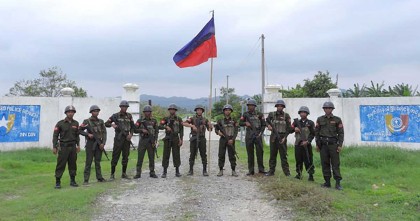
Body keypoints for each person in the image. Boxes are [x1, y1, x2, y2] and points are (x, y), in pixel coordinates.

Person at [315, 101, 344, 190]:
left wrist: (340, 144)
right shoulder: (320, 119)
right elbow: (316, 132)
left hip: (333, 145)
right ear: (324, 109)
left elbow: (341, 133)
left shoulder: (337, 119)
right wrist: (317, 144)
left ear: (332, 109)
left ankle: (338, 183)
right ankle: (327, 182)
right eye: (326, 108)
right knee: (325, 163)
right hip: (323, 145)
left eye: (329, 108)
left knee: (335, 164)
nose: (327, 110)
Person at [105, 100, 135, 180]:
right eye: (123, 107)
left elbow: (133, 127)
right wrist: (112, 125)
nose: (124, 108)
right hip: (118, 138)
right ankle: (112, 174)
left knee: (125, 156)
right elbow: (106, 124)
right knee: (115, 156)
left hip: (126, 139)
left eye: (126, 107)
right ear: (120, 107)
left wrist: (131, 134)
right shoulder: (115, 116)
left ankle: (124, 173)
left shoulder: (129, 116)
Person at [52, 105, 80, 189]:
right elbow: (55, 136)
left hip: (73, 147)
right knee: (61, 165)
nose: (71, 113)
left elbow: (77, 135)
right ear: (66, 113)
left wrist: (78, 145)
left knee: (73, 164)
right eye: (69, 112)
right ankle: (58, 182)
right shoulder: (60, 123)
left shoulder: (76, 123)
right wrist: (54, 146)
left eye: (72, 112)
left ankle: (73, 180)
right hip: (63, 147)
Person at [78, 105, 107, 185]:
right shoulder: (86, 121)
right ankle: (86, 180)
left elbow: (104, 133)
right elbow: (79, 130)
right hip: (90, 144)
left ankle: (99, 178)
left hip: (99, 143)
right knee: (89, 162)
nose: (96, 112)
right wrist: (87, 134)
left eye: (97, 111)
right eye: (94, 111)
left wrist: (103, 143)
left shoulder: (101, 121)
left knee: (98, 161)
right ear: (91, 112)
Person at [183, 104, 212, 176]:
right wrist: (192, 126)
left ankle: (204, 170)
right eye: (198, 110)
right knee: (192, 154)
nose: (199, 111)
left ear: (202, 111)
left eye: (200, 110)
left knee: (203, 154)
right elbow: (184, 123)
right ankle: (190, 170)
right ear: (196, 111)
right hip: (194, 137)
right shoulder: (192, 118)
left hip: (202, 138)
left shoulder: (205, 119)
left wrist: (210, 125)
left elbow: (210, 130)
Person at [239, 99, 266, 175]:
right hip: (249, 135)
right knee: (250, 153)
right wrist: (245, 123)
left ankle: (261, 169)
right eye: (249, 105)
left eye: (251, 105)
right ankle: (251, 170)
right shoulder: (245, 114)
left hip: (258, 134)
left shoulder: (260, 114)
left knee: (260, 153)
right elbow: (240, 123)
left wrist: (261, 133)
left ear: (255, 106)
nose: (250, 107)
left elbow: (264, 124)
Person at [265, 99, 292, 177]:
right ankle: (271, 171)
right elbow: (266, 121)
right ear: (276, 106)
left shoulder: (286, 116)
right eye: (278, 106)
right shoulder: (271, 114)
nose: (279, 107)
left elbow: (289, 128)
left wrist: (285, 138)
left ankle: (287, 173)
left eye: (281, 106)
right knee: (272, 155)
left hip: (282, 137)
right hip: (273, 137)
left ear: (283, 107)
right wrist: (268, 125)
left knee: (283, 156)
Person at [133, 105, 159, 179]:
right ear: (144, 113)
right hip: (143, 141)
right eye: (146, 112)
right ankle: (138, 173)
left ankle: (152, 172)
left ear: (151, 113)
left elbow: (156, 131)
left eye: (149, 112)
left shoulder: (154, 121)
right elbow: (134, 130)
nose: (147, 113)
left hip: (151, 141)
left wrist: (155, 140)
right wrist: (142, 130)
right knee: (140, 158)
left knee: (151, 158)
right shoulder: (140, 121)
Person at [291, 106, 315, 181]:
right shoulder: (296, 122)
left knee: (308, 159)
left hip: (307, 145)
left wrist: (308, 141)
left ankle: (311, 175)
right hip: (298, 144)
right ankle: (299, 174)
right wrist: (294, 129)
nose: (303, 114)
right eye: (301, 112)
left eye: (304, 112)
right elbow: (289, 129)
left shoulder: (310, 123)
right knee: (298, 160)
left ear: (307, 113)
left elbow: (313, 134)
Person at [159, 104, 184, 178]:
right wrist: (166, 126)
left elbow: (181, 130)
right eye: (171, 109)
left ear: (175, 111)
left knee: (176, 154)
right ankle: (164, 171)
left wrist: (181, 139)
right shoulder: (166, 118)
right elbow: (160, 125)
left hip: (175, 138)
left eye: (173, 109)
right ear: (169, 110)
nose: (172, 110)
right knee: (166, 154)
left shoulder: (179, 119)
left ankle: (177, 171)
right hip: (168, 137)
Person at [214, 104, 239, 177]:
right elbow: (216, 129)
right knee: (221, 155)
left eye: (229, 110)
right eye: (226, 110)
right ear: (224, 111)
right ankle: (221, 170)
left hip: (231, 139)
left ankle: (233, 170)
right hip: (223, 140)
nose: (227, 111)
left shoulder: (234, 120)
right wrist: (218, 132)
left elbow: (236, 131)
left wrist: (233, 139)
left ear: (231, 111)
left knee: (232, 155)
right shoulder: (220, 121)